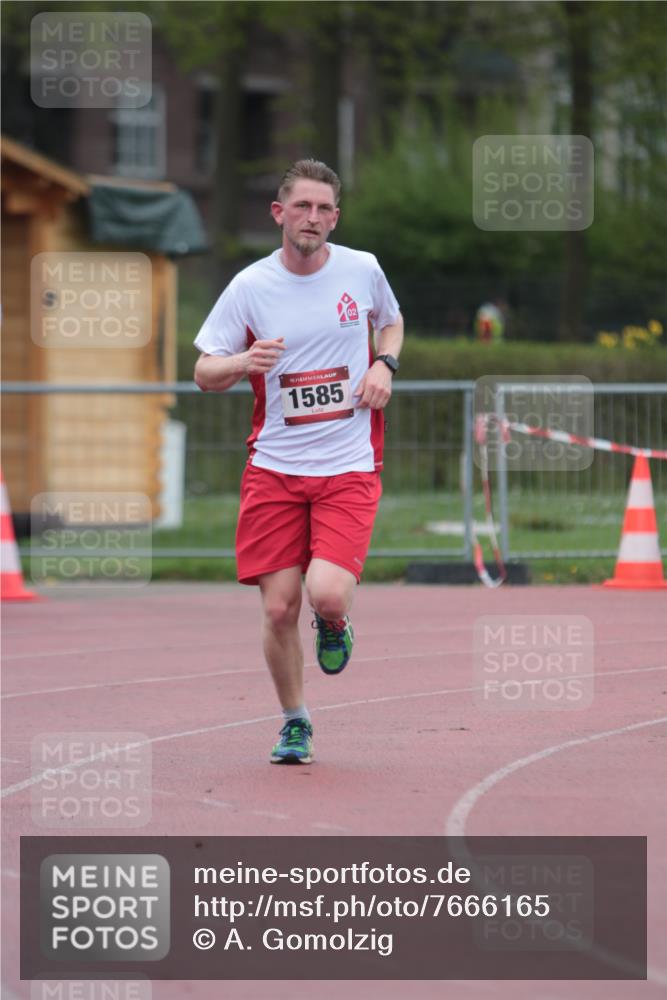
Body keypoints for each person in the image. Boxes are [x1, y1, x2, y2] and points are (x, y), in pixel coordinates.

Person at [193, 159, 403, 765]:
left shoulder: (361, 270)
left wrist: (383, 365)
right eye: (302, 207)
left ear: (335, 218)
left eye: (324, 209)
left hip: (348, 464)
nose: (313, 218)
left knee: (327, 594)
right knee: (280, 606)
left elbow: (390, 322)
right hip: (275, 467)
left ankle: (334, 624)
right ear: (279, 213)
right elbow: (205, 369)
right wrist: (242, 363)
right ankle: (295, 722)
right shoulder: (250, 287)